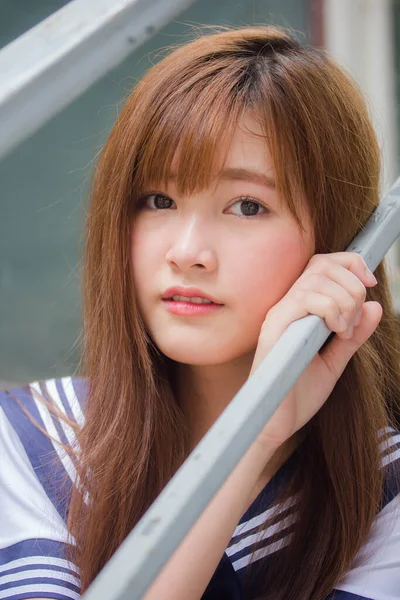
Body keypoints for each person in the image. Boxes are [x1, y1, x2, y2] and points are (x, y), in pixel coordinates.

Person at [1, 24, 400, 600]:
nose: (187, 253)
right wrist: (251, 440)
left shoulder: (381, 494)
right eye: (158, 201)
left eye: (247, 206)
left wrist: (261, 429)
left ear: (338, 245)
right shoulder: (37, 441)